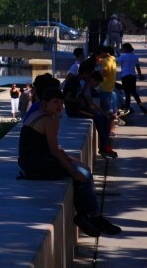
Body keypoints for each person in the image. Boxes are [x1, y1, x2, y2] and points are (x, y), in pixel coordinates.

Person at [19, 76, 121, 237]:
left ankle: (85, 216)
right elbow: (53, 150)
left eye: (60, 102)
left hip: (31, 162)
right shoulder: (49, 119)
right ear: (45, 103)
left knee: (83, 171)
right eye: (54, 102)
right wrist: (73, 171)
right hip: (36, 165)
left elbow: (52, 147)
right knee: (83, 175)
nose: (59, 106)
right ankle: (93, 217)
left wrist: (71, 160)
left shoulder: (41, 113)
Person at [64, 70, 118, 158]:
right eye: (96, 83)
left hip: (82, 108)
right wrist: (79, 101)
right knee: (98, 117)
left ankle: (105, 145)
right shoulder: (76, 83)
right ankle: (104, 148)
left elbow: (90, 103)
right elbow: (67, 98)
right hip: (75, 110)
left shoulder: (83, 84)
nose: (96, 86)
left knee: (105, 118)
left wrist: (105, 113)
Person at [117, 42, 145, 115]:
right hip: (132, 76)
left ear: (125, 49)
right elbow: (137, 67)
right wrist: (140, 75)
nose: (122, 49)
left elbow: (116, 61)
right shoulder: (135, 57)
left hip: (125, 76)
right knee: (134, 92)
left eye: (123, 48)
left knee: (127, 93)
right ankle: (142, 107)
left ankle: (127, 108)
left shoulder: (123, 57)